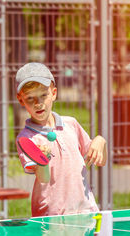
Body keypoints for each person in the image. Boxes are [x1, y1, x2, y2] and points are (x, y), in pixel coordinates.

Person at [15, 62, 107, 218]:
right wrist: (42, 160)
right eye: (30, 98)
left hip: (86, 211)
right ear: (21, 100)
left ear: (54, 93)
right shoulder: (26, 139)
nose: (38, 103)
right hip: (52, 215)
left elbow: (101, 161)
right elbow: (43, 178)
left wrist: (100, 141)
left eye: (43, 95)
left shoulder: (70, 124)